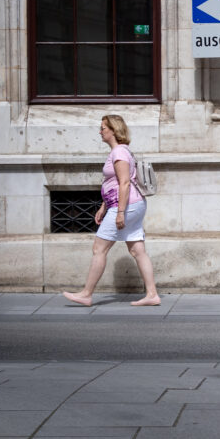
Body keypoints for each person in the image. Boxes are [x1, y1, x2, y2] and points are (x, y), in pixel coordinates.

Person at [63, 115, 161, 307]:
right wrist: (103, 206)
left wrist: (120, 212)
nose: (100, 132)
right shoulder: (121, 151)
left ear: (113, 130)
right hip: (129, 204)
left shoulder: (119, 153)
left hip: (125, 205)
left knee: (99, 248)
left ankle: (86, 293)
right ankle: (152, 295)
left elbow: (124, 183)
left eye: (103, 128)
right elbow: (114, 183)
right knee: (137, 249)